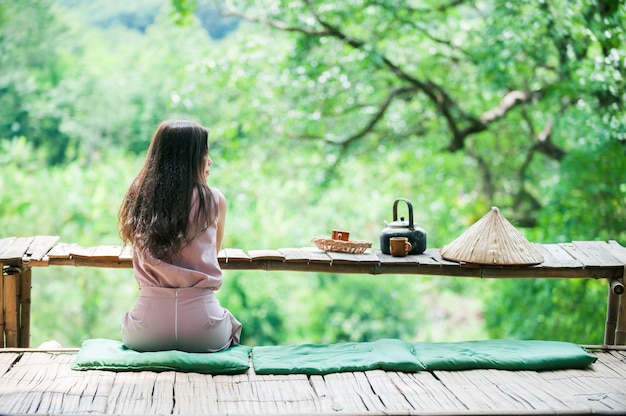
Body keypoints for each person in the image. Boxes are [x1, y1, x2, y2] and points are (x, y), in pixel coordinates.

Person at [118, 119, 242, 353]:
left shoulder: (139, 196)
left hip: (147, 329)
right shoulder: (214, 200)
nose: (210, 161)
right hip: (203, 328)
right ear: (189, 159)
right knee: (231, 327)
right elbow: (211, 254)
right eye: (205, 154)